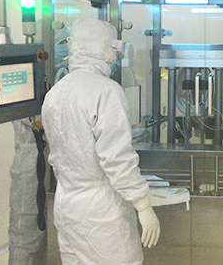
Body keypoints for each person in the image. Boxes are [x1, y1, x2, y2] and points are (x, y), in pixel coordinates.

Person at [42, 18, 160, 265]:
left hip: (67, 205)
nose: (115, 55)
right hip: (101, 212)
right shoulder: (106, 91)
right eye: (113, 48)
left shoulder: (55, 93)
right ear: (102, 49)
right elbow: (116, 159)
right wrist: (143, 204)